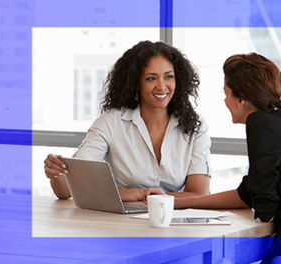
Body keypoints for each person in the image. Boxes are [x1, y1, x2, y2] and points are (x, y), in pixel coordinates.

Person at [44, 41, 211, 202]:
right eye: (151, 78)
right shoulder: (110, 122)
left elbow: (199, 193)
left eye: (168, 77)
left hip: (177, 223)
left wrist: (144, 197)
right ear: (136, 83)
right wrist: (56, 171)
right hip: (121, 223)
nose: (161, 86)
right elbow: (67, 189)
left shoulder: (195, 126)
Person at [169, 53, 281, 263]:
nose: (225, 100)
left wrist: (266, 210)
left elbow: (264, 203)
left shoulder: (259, 122)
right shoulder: (274, 119)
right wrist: (178, 202)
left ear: (241, 100)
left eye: (226, 93)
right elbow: (248, 193)